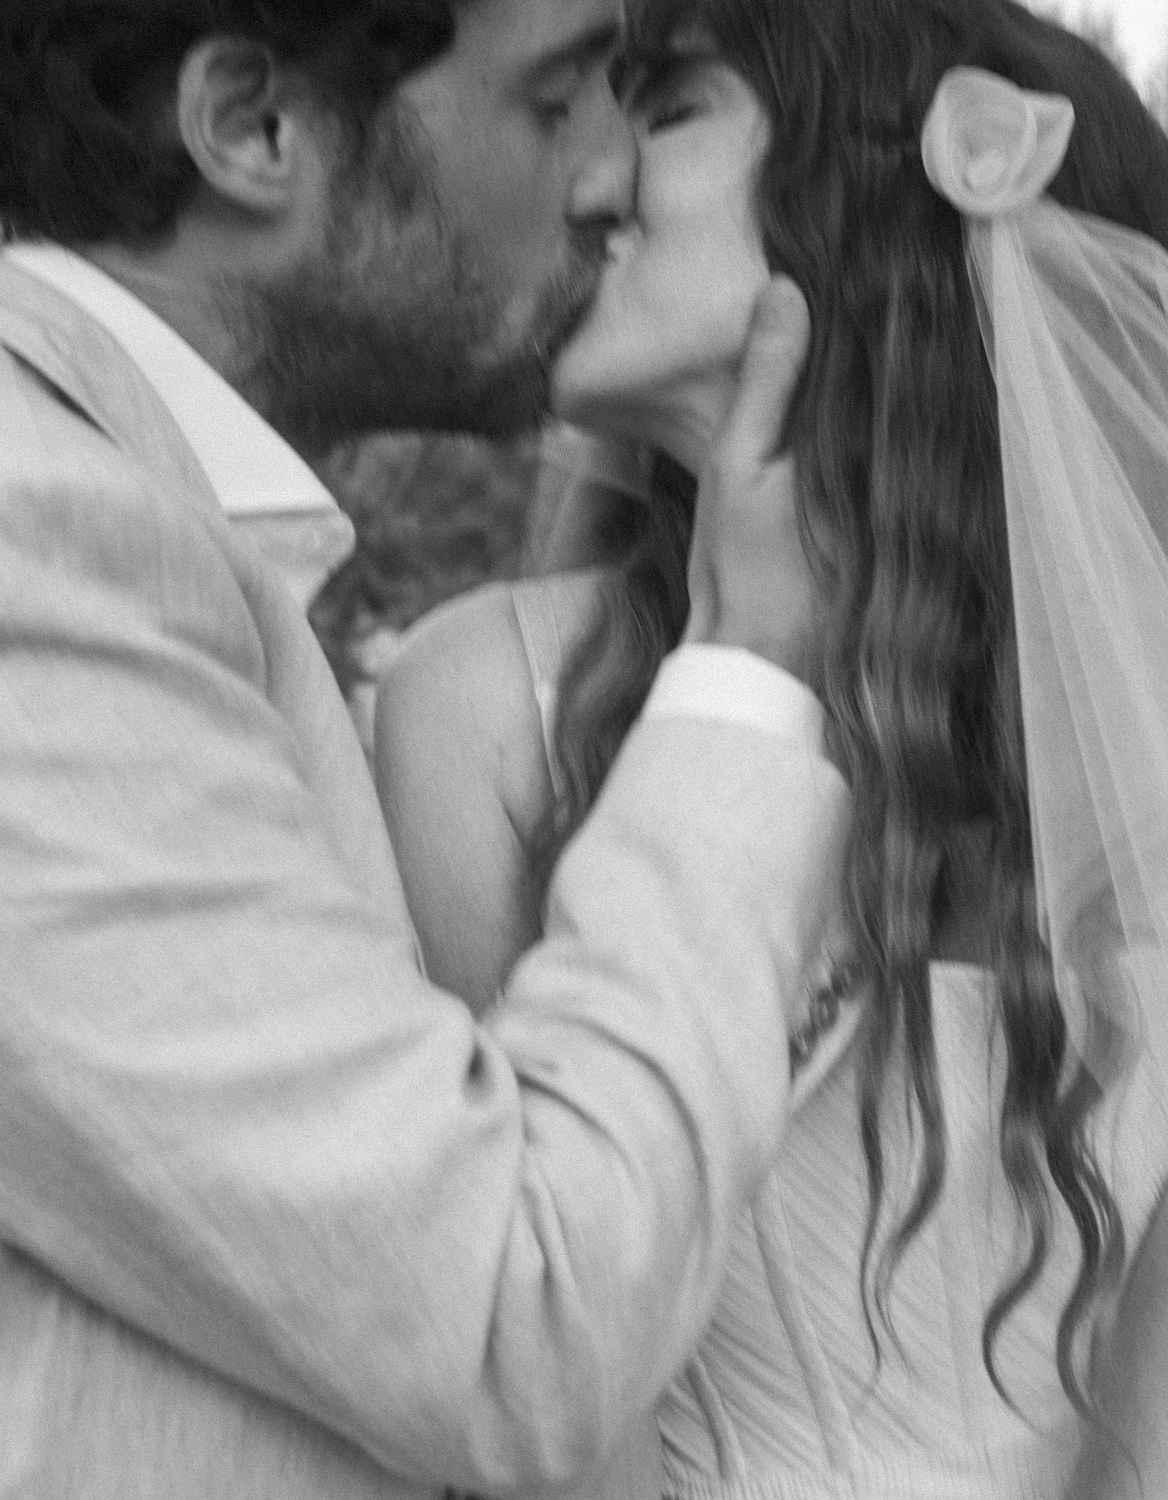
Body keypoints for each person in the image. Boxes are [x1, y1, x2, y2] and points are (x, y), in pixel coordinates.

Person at [0, 0, 854, 1494]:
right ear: (254, 129)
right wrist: (746, 670)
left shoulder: (130, 513)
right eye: (554, 100)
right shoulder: (38, 534)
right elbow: (516, 1319)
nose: (610, 176)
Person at [375, 0, 1168, 1494]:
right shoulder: (491, 701)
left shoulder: (1162, 722)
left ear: (871, 207)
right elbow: (546, 1363)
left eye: (670, 110)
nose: (592, 182)